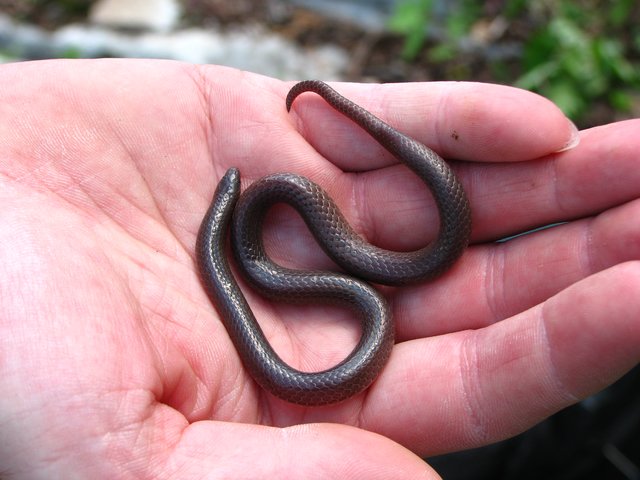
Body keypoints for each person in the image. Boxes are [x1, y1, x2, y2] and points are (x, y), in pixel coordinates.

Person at [0, 58, 638, 479]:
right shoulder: (252, 246)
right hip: (297, 279)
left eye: (232, 192)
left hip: (308, 271)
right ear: (232, 210)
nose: (236, 191)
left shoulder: (262, 234)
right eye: (233, 193)